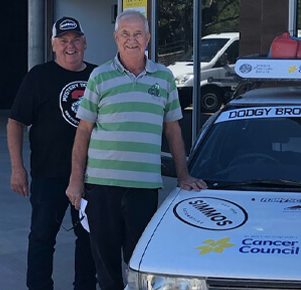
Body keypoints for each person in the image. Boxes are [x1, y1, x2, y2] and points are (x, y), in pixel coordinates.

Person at [65, 10, 207, 290]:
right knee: (105, 267)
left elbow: (173, 130)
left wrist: (183, 175)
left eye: (138, 33)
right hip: (102, 187)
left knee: (140, 264)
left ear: (149, 38)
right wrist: (75, 180)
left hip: (143, 188)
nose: (132, 40)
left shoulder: (164, 78)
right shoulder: (99, 76)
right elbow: (83, 131)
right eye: (126, 34)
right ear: (116, 38)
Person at [7, 16, 97, 290]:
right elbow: (15, 122)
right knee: (42, 238)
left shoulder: (98, 76)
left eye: (76, 40)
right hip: (49, 175)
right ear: (53, 46)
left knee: (90, 239)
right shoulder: (39, 76)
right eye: (64, 41)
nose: (71, 46)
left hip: (92, 176)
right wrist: (17, 169)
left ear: (85, 43)